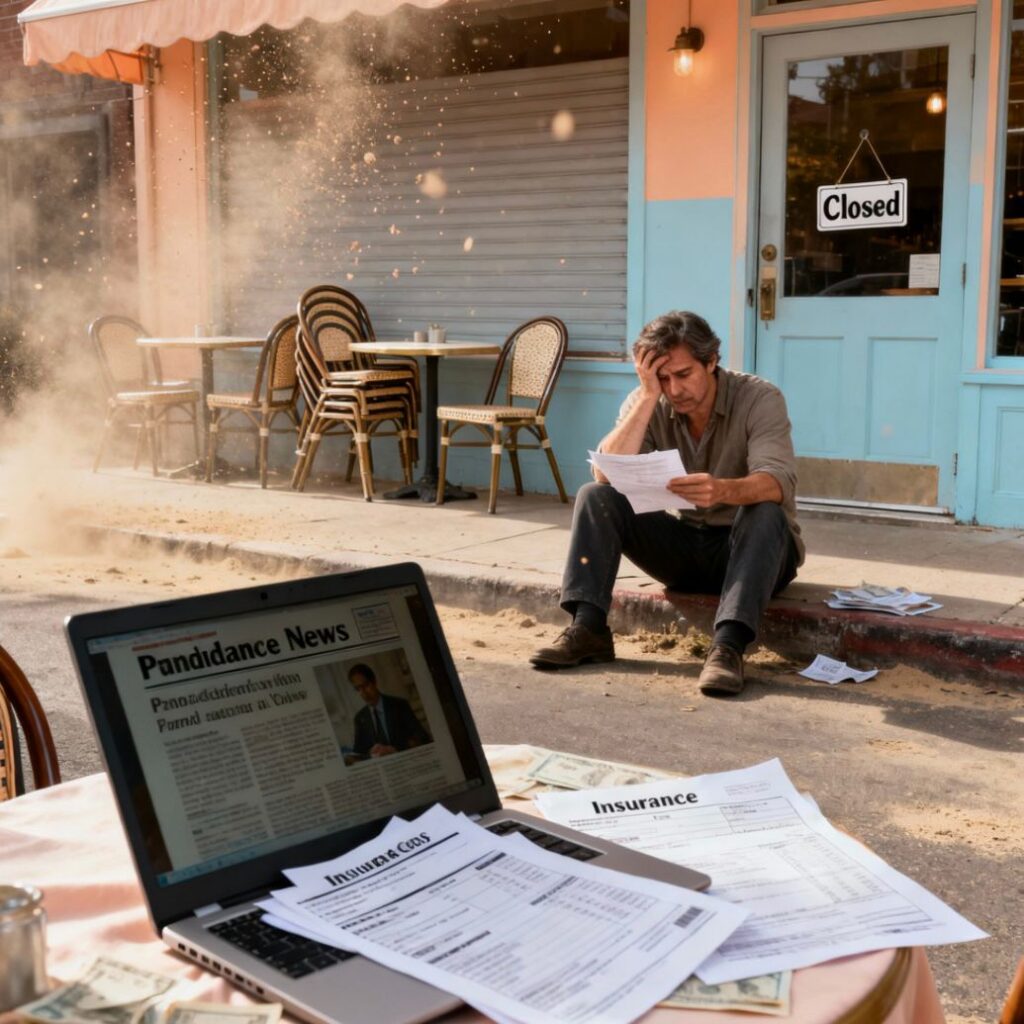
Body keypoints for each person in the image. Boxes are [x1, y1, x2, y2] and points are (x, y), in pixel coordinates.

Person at [530, 310, 803, 696]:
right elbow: (605, 474)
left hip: (756, 553)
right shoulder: (650, 399)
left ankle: (728, 648)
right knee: (597, 497)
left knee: (765, 511)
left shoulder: (759, 397)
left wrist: (723, 490)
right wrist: (646, 396)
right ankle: (588, 628)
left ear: (711, 361)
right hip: (685, 545)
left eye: (683, 374)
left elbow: (778, 482)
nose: (673, 389)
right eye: (662, 377)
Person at [348, 663, 431, 758]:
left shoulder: (399, 705)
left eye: (366, 685)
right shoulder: (359, 718)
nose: (363, 693)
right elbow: (358, 753)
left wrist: (395, 749)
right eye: (358, 689)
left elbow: (422, 738)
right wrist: (369, 754)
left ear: (374, 682)